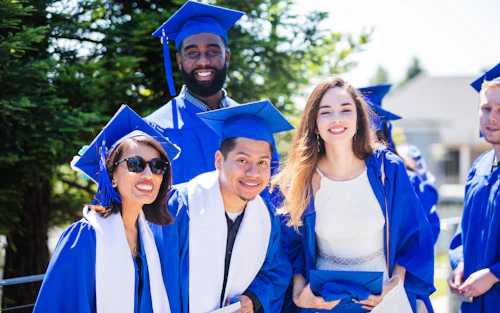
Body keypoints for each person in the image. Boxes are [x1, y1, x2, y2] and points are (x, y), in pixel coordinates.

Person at [272, 77, 435, 312]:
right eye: (325, 112)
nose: (336, 118)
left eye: (345, 110)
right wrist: (298, 294)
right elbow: (293, 245)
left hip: (381, 299)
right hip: (325, 302)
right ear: (315, 124)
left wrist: (395, 284)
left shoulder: (387, 170)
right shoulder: (302, 179)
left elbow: (413, 234)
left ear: (359, 119)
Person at [33, 105, 180, 313]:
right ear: (111, 176)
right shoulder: (85, 237)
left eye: (157, 166)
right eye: (135, 164)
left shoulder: (149, 239)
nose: (148, 174)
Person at [162, 100, 293, 313]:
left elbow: (275, 271)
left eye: (262, 162)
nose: (253, 173)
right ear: (219, 161)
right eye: (242, 160)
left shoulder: (265, 215)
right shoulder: (180, 207)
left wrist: (253, 298)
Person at [146, 1, 280, 184]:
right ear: (179, 60)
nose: (203, 61)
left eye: (212, 51)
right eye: (192, 53)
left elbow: (273, 192)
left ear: (226, 56)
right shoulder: (157, 128)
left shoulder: (252, 124)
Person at [359, 83, 440, 244]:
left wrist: (399, 267)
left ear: (381, 135)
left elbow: (426, 230)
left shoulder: (406, 178)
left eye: (368, 132)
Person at [448, 62, 500, 313]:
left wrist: (493, 274)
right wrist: (460, 264)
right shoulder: (480, 166)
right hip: (473, 302)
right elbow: (464, 230)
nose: (492, 118)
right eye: (486, 108)